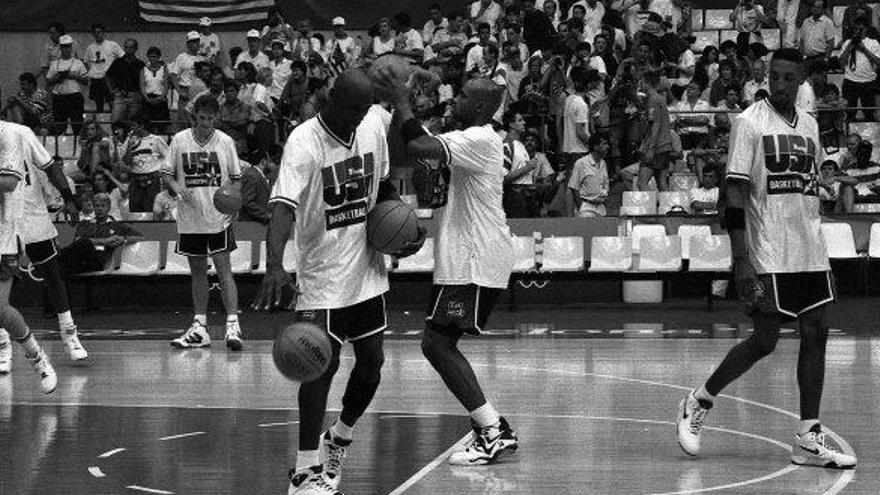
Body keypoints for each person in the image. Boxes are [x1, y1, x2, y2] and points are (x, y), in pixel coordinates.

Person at [675, 48, 858, 470]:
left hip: (809, 247)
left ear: (801, 82)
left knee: (817, 334)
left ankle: (808, 436)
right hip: (769, 248)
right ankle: (698, 400)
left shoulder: (810, 124)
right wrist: (741, 258)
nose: (777, 84)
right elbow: (735, 192)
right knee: (765, 340)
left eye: (787, 78)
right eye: (773, 76)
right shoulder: (749, 122)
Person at [252, 70, 423, 494]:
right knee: (316, 369)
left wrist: (402, 228)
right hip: (322, 277)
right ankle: (305, 472)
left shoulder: (370, 124)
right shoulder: (303, 142)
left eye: (363, 111)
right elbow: (282, 209)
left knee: (372, 365)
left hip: (366, 272)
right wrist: (276, 265)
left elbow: (381, 185)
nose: (357, 119)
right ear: (332, 100)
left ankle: (340, 436)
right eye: (351, 111)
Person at [377, 71, 519, 466]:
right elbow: (418, 149)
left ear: (477, 107)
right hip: (464, 256)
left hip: (473, 258)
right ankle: (490, 427)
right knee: (438, 343)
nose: (452, 100)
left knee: (436, 343)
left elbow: (420, 145)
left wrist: (402, 99)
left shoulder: (479, 139)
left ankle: (492, 430)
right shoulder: (470, 138)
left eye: (461, 98)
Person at [0, 119, 85, 364]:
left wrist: (68, 198)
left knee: (52, 274)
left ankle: (70, 334)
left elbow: (50, 167)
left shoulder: (20, 132)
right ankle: (3, 346)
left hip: (31, 214)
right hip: (4, 221)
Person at [164, 95, 243, 351]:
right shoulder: (179, 140)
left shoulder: (225, 142)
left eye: (210, 119)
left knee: (224, 270)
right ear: (194, 116)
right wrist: (177, 188)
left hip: (216, 217)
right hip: (189, 217)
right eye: (202, 118)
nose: (206, 123)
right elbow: (166, 175)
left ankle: (233, 324)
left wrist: (233, 202)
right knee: (197, 272)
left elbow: (236, 179)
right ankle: (200, 327)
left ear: (215, 118)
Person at [0, 127, 58, 393]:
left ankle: (37, 358)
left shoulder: (6, 136)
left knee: (0, 310)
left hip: (3, 236)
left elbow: (10, 181)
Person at [121, 112, 168, 212]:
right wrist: (129, 146)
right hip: (135, 179)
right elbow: (126, 162)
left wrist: (161, 172)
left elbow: (169, 158)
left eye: (134, 125)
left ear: (141, 126)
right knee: (134, 209)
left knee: (152, 209)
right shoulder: (130, 140)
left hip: (153, 179)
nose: (132, 129)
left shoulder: (156, 140)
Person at [637, 69, 673, 191]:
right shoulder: (661, 98)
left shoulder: (652, 100)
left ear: (647, 83)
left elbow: (655, 125)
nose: (639, 84)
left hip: (657, 147)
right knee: (661, 182)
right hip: (665, 145)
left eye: (641, 82)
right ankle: (666, 208)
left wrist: (650, 149)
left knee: (642, 183)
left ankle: (649, 208)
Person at [47, 35, 88, 136]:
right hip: (59, 97)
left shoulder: (78, 63)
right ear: (61, 48)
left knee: (77, 124)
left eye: (69, 46)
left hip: (75, 96)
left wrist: (74, 76)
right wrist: (58, 77)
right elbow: (48, 81)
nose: (67, 49)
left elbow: (86, 81)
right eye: (64, 47)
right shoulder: (54, 63)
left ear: (72, 47)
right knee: (59, 124)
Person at [84, 23, 124, 113]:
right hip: (96, 79)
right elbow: (86, 63)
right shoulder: (90, 48)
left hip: (109, 79)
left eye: (99, 32)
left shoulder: (112, 45)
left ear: (104, 33)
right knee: (98, 106)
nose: (97, 34)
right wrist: (90, 73)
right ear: (92, 34)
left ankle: (114, 125)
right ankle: (100, 125)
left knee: (112, 103)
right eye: (95, 32)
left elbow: (122, 58)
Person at [569, 133, 610, 217]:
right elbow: (574, 187)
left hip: (601, 207)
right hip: (586, 207)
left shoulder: (603, 163)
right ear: (595, 146)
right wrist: (581, 207)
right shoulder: (581, 163)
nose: (607, 147)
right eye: (604, 144)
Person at [106, 38, 145, 123]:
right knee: (116, 120)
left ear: (136, 49)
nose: (128, 50)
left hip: (135, 96)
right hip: (120, 95)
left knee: (133, 121)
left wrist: (141, 94)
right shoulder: (118, 62)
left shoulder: (140, 64)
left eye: (130, 48)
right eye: (126, 47)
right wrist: (111, 90)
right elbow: (108, 76)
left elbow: (144, 81)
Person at [140, 47, 171, 131]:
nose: (152, 59)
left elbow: (166, 85)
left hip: (160, 99)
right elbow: (142, 85)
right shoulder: (144, 69)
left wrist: (161, 97)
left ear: (159, 57)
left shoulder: (164, 69)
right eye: (150, 57)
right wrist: (146, 98)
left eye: (154, 57)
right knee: (148, 125)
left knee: (162, 126)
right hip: (148, 99)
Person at [239, 151, 275, 223]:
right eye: (269, 160)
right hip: (251, 224)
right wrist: (266, 215)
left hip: (257, 224)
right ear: (263, 161)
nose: (272, 164)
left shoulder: (257, 175)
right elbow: (247, 202)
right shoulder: (251, 175)